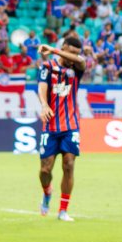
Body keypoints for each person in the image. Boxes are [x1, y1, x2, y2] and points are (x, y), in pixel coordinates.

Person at [38, 35, 86, 222]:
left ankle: (63, 210)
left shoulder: (77, 68)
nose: (72, 56)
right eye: (70, 52)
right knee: (45, 170)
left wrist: (54, 50)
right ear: (64, 46)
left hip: (71, 126)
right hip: (50, 125)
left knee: (69, 165)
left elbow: (81, 60)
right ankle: (47, 192)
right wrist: (43, 104)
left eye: (75, 53)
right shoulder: (48, 66)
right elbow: (41, 86)